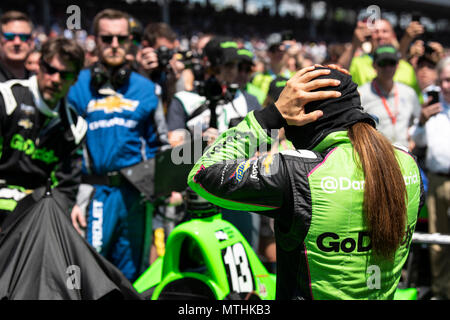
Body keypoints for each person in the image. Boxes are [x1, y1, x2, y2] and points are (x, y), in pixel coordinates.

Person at [188, 65, 424, 300]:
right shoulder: (407, 163)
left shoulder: (298, 172)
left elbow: (203, 173)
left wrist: (269, 116)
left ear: (302, 117)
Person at [68, 9, 165, 282]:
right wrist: (73, 194)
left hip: (136, 196)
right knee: (92, 275)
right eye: (107, 38)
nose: (114, 45)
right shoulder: (76, 87)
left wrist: (161, 186)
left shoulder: (147, 89)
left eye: (121, 39)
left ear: (130, 41)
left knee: (133, 276)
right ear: (95, 41)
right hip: (94, 194)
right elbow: (65, 149)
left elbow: (162, 143)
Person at [167, 37, 263, 250]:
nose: (233, 72)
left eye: (236, 65)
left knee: (244, 259)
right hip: (196, 198)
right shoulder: (183, 100)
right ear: (209, 64)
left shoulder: (249, 101)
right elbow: (174, 151)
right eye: (226, 65)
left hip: (238, 198)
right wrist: (199, 145)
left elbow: (262, 150)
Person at [0, 37, 87, 225]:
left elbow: (65, 190)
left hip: (35, 215)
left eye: (65, 75)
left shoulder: (75, 128)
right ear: (39, 65)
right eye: (50, 70)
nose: (55, 80)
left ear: (75, 79)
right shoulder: (6, 99)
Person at [409, 56, 450, 300]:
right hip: (436, 180)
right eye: (444, 80)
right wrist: (423, 120)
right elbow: (418, 141)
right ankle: (441, 291)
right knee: (437, 241)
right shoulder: (431, 106)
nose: (447, 85)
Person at [358, 45, 421, 148]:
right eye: (383, 63)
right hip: (378, 155)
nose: (387, 68)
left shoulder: (408, 92)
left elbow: (417, 121)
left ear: (397, 65)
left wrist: (412, 138)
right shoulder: (362, 94)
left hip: (405, 154)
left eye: (391, 63)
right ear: (374, 65)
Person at [340, 18, 420, 97]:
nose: (380, 35)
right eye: (376, 32)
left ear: (393, 35)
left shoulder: (407, 68)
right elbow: (340, 71)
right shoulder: (358, 63)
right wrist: (354, 44)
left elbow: (416, 101)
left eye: (384, 31)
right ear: (370, 35)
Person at [136, 22, 186, 111]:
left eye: (170, 52)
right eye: (163, 51)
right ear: (146, 47)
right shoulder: (135, 71)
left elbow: (179, 110)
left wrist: (176, 80)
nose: (166, 57)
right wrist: (143, 73)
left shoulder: (171, 72)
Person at [0, 11, 35, 82]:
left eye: (23, 37)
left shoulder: (41, 79)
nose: (17, 42)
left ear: (32, 42)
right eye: (10, 36)